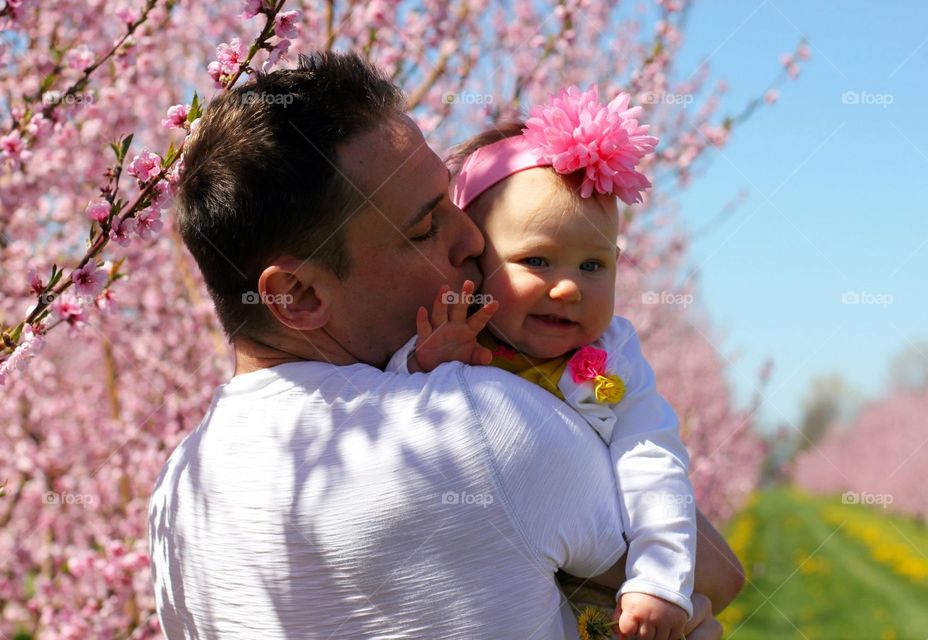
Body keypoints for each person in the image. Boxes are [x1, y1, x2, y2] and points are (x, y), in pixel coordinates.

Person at [148, 50, 742, 639]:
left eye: (451, 202)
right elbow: (715, 575)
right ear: (299, 295)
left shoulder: (178, 490)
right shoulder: (477, 420)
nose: (471, 240)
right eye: (426, 226)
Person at [385, 86, 695, 640]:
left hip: (600, 593)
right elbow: (386, 432)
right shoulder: (446, 335)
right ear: (474, 264)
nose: (569, 287)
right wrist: (421, 367)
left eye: (594, 265)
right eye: (537, 261)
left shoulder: (615, 360)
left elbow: (652, 457)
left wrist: (659, 579)